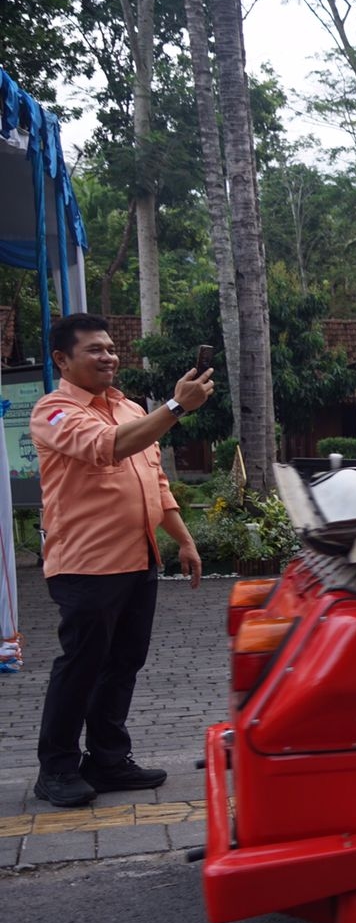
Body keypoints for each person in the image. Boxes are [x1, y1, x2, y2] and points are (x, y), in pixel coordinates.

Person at [28, 313, 215, 807]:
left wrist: (184, 540)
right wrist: (176, 406)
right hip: (86, 563)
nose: (108, 356)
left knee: (123, 663)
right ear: (62, 359)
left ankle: (108, 761)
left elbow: (155, 482)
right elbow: (107, 448)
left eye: (110, 348)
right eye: (94, 349)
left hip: (138, 558)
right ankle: (56, 769)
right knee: (82, 665)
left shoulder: (129, 408)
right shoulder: (53, 411)